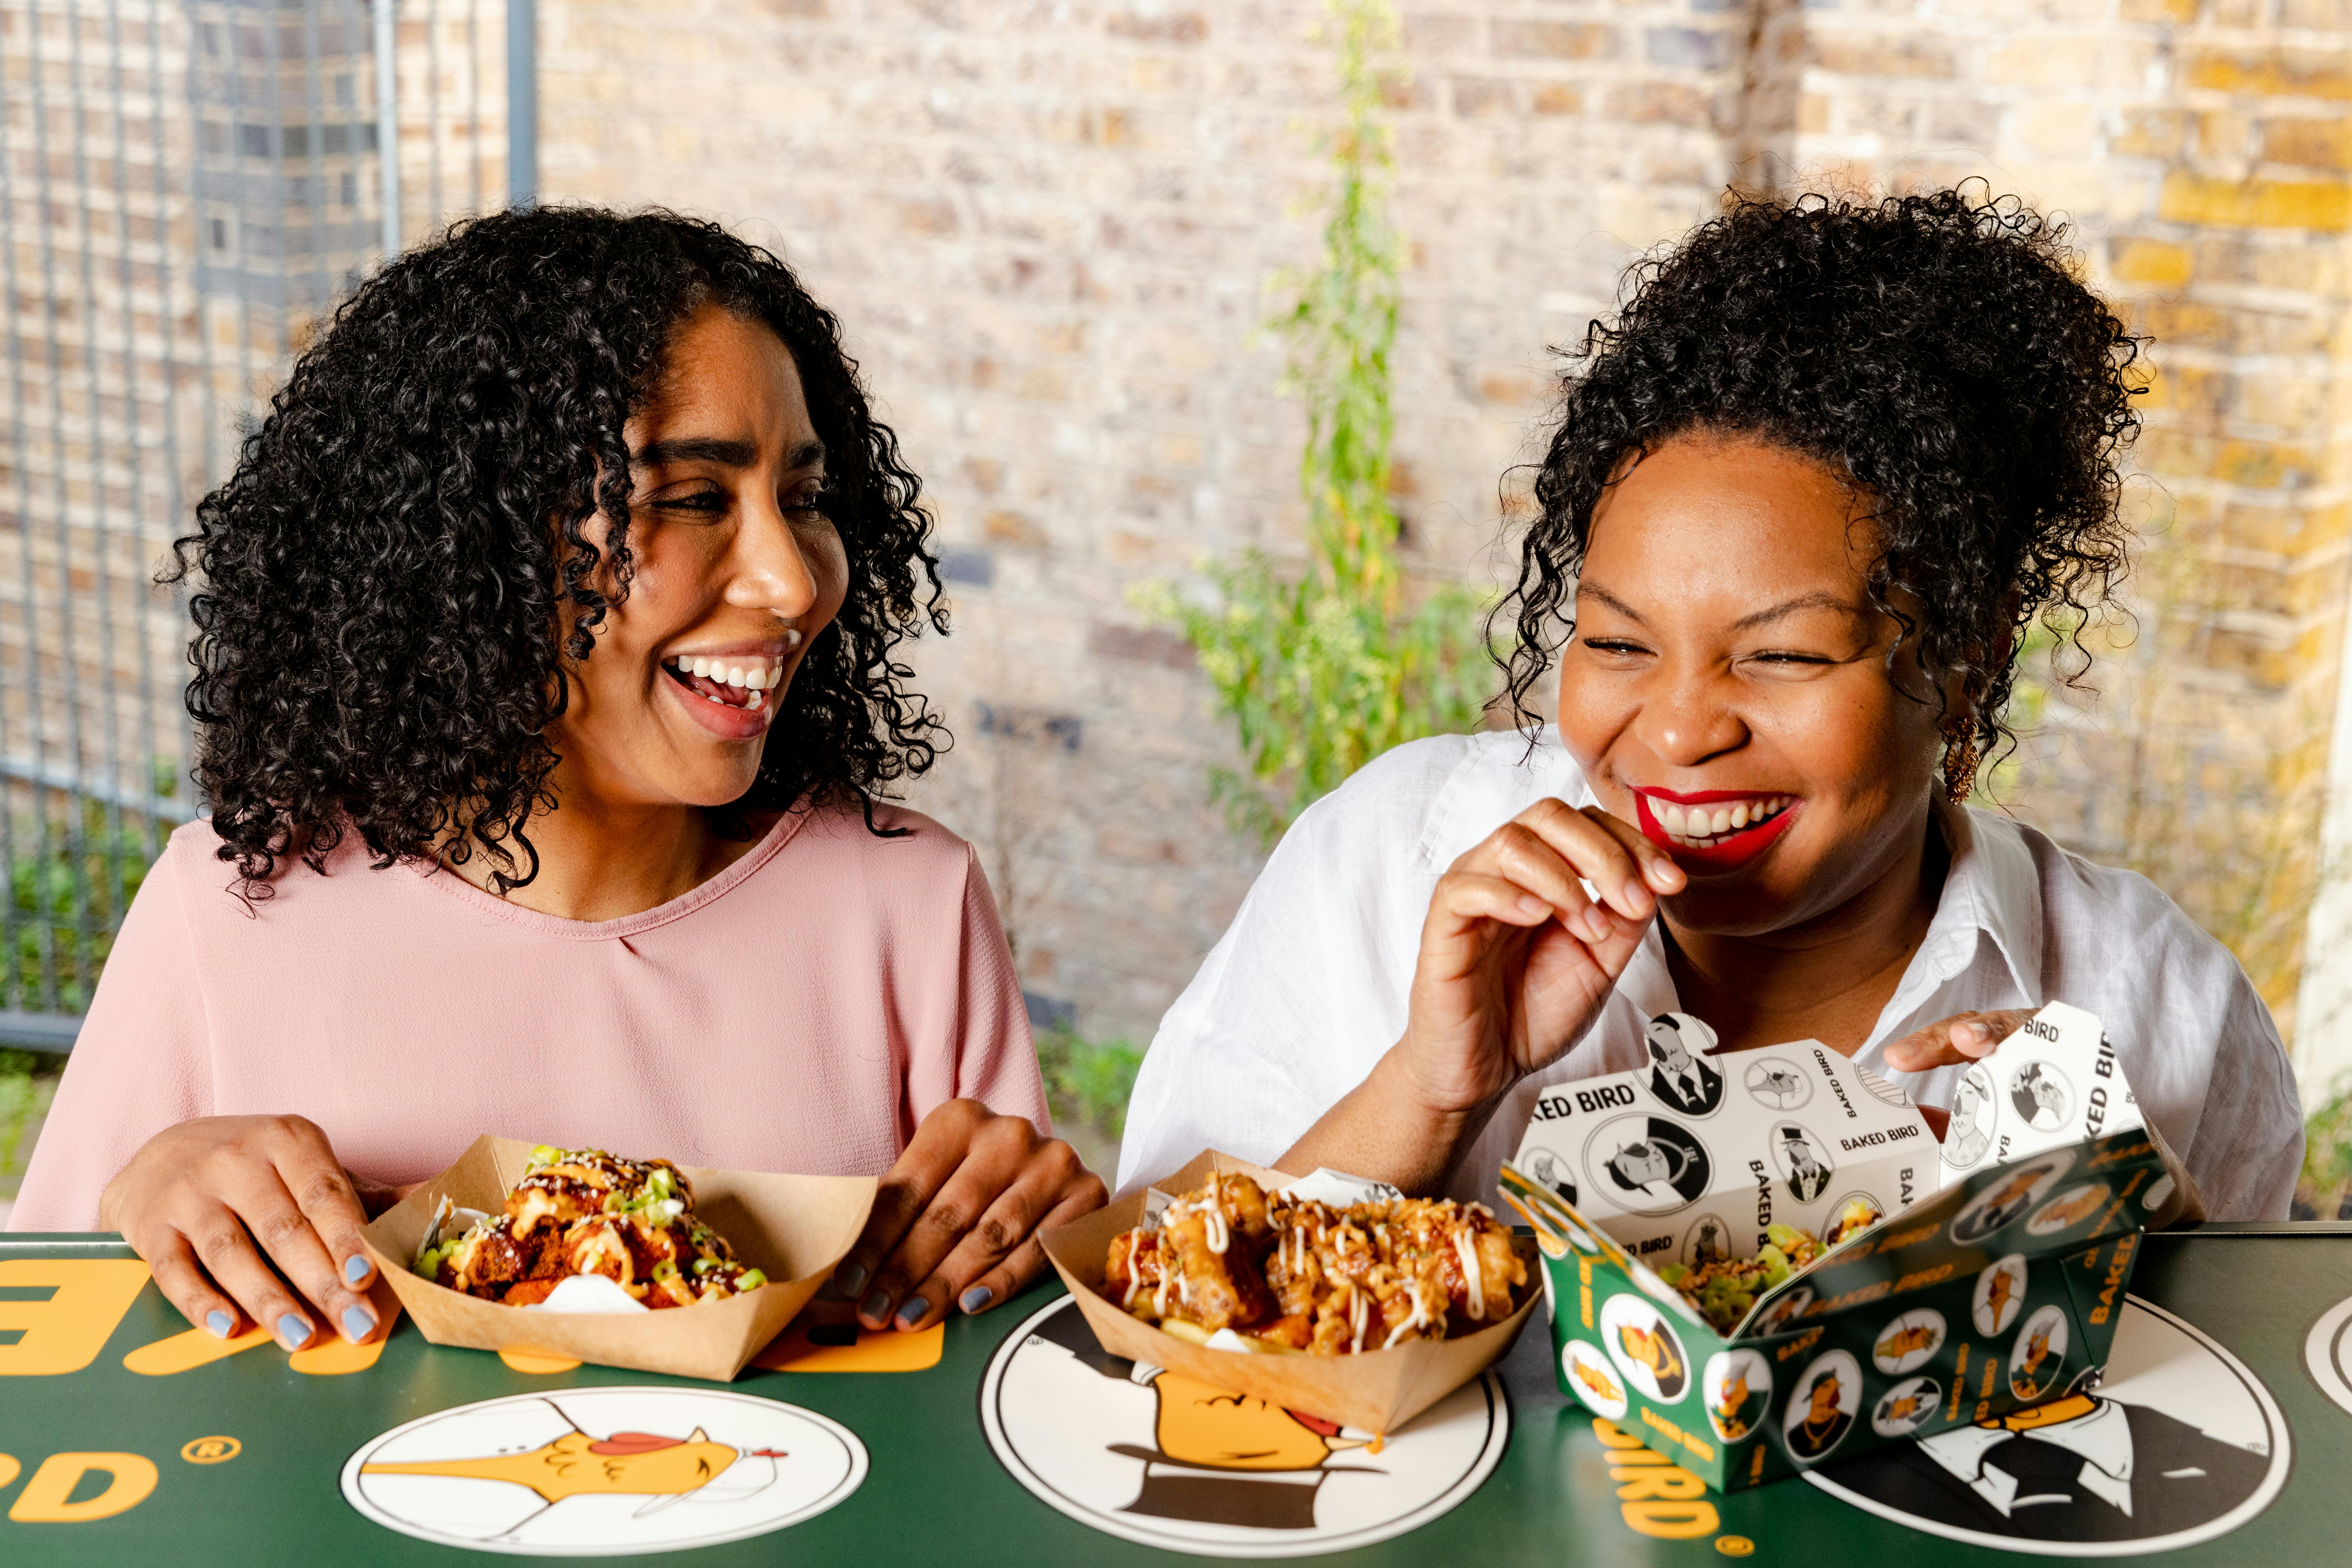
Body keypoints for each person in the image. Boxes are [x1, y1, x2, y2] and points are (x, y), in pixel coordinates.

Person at [7, 208, 1106, 1352]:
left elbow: (987, 1394)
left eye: (804, 499)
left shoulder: (906, 904)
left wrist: (1024, 1224)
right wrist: (133, 1197)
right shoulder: (227, 914)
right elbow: (44, 1383)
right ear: (475, 541)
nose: (789, 581)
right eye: (691, 499)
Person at [1118, 189, 2302, 1216]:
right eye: (1619, 643)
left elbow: (2236, 1438)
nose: (1681, 733)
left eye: (1782, 659)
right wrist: (1429, 1090)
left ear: (1967, 661)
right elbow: (1122, 1311)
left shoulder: (2159, 1004)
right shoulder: (1386, 863)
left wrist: (2135, 1253)